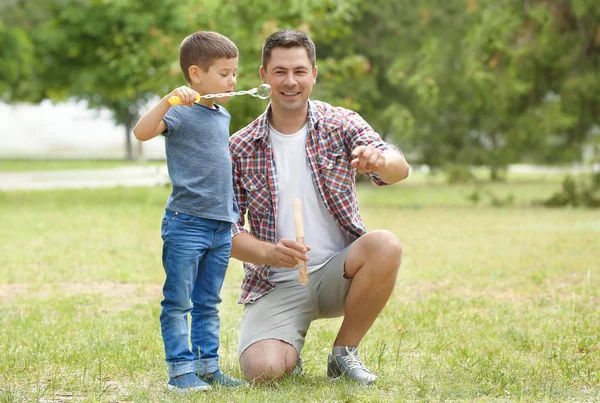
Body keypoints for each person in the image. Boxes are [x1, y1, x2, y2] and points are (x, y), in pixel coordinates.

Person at [228, 29, 410, 385]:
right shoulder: (240, 147)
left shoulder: (341, 124)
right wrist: (269, 253)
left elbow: (399, 167)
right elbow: (226, 232)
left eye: (299, 71)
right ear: (263, 76)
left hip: (338, 272)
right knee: (264, 372)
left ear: (314, 73)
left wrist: (379, 161)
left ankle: (343, 354)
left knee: (385, 244)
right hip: (275, 282)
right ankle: (285, 347)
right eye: (279, 71)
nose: (290, 81)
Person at [133, 31, 244, 392]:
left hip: (219, 225)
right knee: (179, 300)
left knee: (208, 301)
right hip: (187, 224)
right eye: (224, 73)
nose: (232, 80)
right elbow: (142, 132)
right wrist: (167, 101)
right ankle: (181, 370)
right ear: (196, 75)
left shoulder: (222, 114)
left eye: (234, 73)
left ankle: (208, 366)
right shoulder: (180, 111)